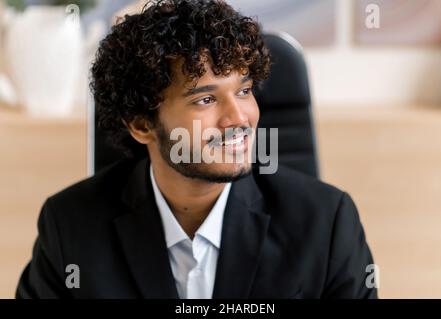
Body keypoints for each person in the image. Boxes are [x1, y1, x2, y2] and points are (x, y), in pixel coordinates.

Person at [16, 0, 377, 299]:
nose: (239, 118)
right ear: (141, 124)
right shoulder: (70, 227)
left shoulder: (326, 223)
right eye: (205, 98)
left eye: (244, 90)